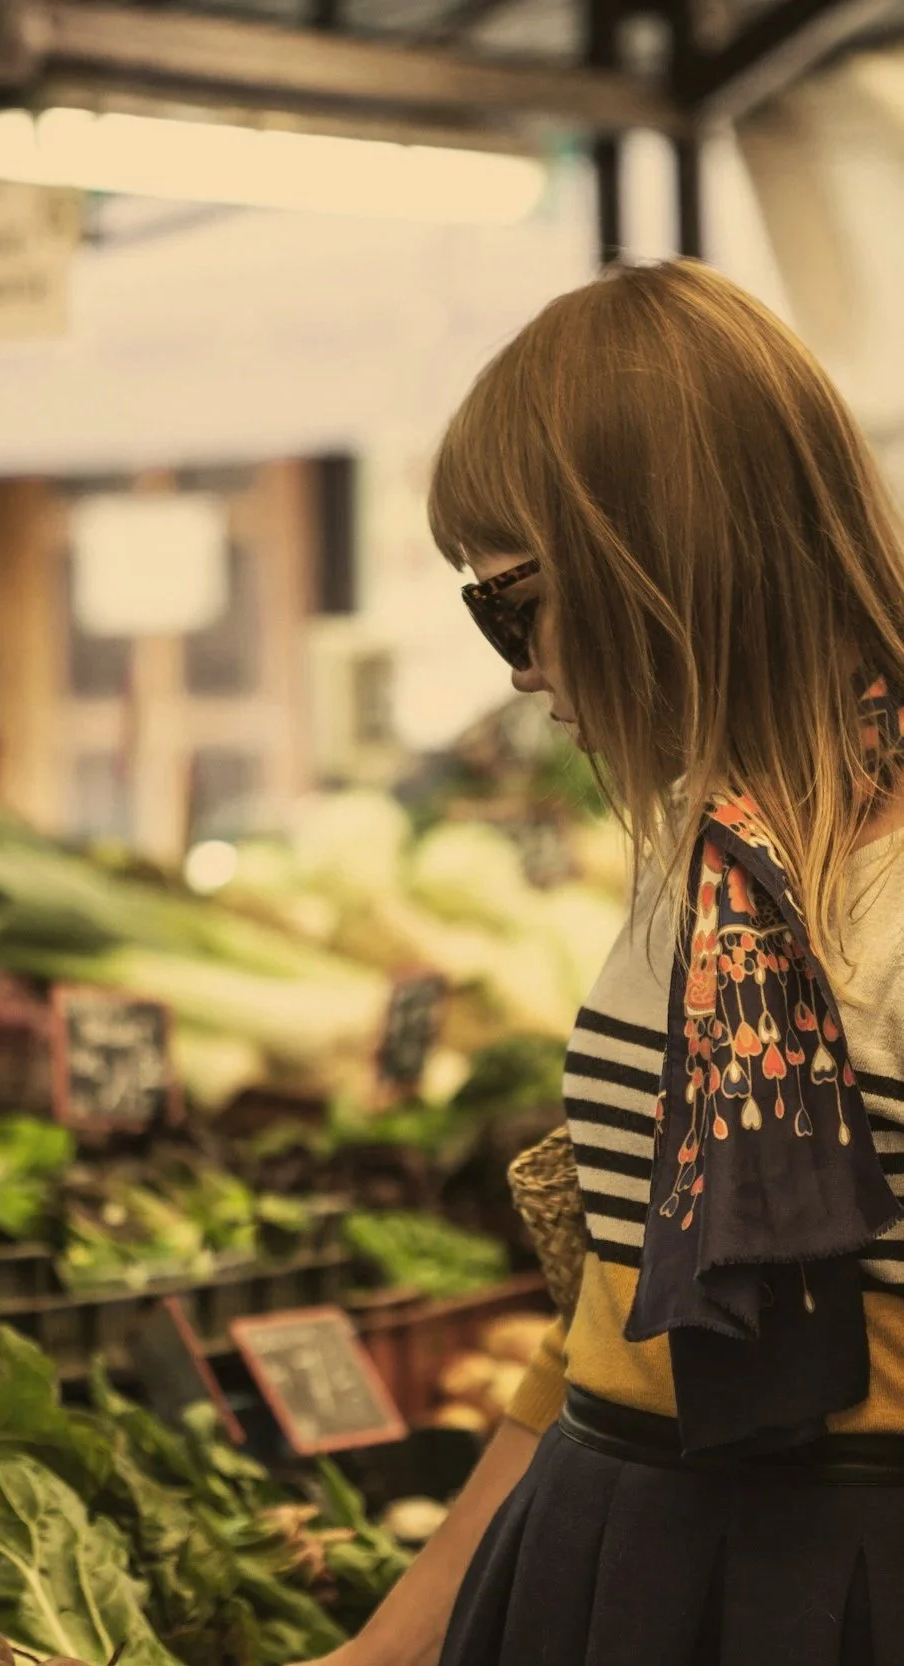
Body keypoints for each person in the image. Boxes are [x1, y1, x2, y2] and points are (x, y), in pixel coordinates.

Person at [314, 259, 904, 1666]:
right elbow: (603, 1325)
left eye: (511, 603)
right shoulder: (711, 866)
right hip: (605, 1552)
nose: (514, 669)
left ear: (659, 564)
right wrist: (384, 1646)